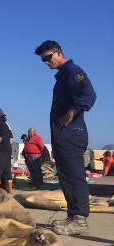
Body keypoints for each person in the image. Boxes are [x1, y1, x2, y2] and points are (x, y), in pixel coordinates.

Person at [35, 40, 96, 236]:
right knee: (66, 175)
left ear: (58, 52)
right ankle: (73, 216)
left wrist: (72, 112)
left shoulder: (72, 71)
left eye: (47, 57)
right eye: (42, 60)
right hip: (63, 134)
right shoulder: (63, 76)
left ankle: (79, 219)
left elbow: (88, 94)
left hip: (72, 133)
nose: (45, 62)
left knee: (74, 174)